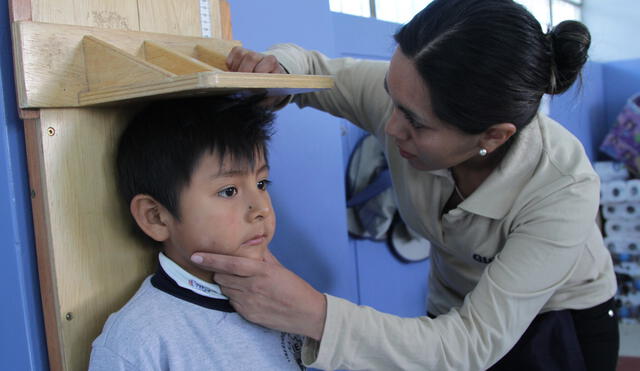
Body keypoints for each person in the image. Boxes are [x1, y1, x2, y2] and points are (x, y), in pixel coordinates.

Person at [189, 0, 620, 370]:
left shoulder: (563, 189)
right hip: (452, 307)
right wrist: (277, 68)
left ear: (493, 136)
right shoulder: (408, 99)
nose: (391, 127)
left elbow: (471, 345)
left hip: (558, 319)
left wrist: (316, 314)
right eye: (391, 97)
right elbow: (312, 69)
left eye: (415, 121)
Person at [89, 96, 306, 370]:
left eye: (262, 183)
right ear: (156, 217)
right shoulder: (138, 340)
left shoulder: (283, 298)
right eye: (229, 191)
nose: (261, 207)